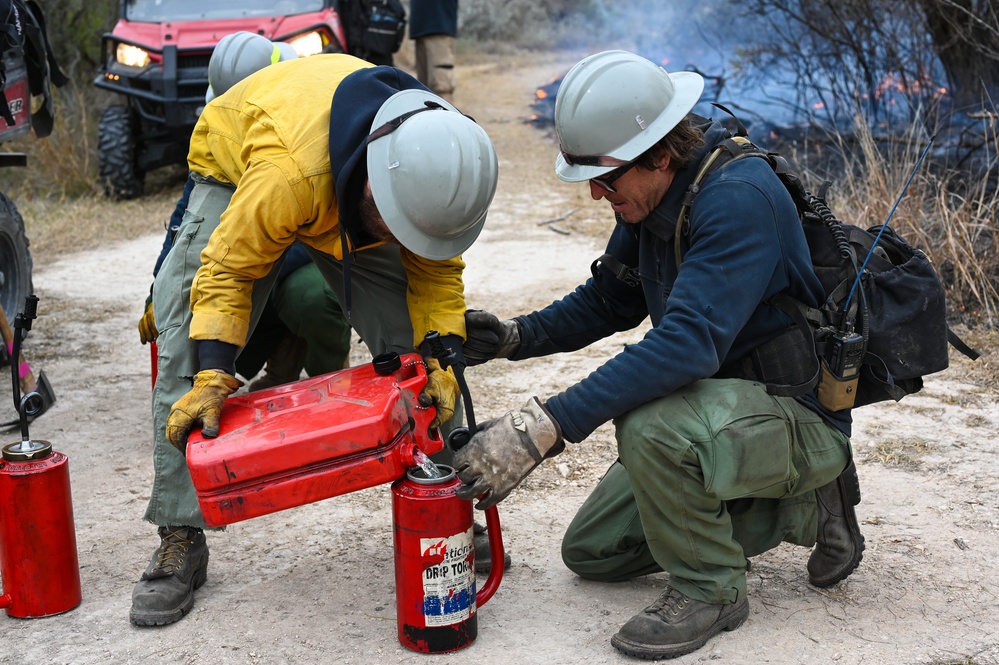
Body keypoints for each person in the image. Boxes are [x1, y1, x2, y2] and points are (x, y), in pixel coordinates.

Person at [454, 50, 865, 660]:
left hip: (793, 413)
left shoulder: (738, 199)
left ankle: (715, 586)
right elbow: (608, 302)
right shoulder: (653, 196)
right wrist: (516, 337)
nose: (595, 194)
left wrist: (545, 426)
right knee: (592, 551)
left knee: (648, 426)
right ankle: (783, 506)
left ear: (659, 155)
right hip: (720, 414)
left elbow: (685, 346)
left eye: (605, 178)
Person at [129, 52, 499, 627]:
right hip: (240, 171)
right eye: (394, 223)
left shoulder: (437, 163)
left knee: (425, 363)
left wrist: (437, 355)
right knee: (186, 345)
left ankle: (442, 505)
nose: (405, 238)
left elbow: (437, 279)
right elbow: (228, 271)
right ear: (374, 181)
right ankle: (180, 536)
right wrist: (212, 373)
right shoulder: (287, 175)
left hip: (341, 183)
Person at [138, 32, 352, 388]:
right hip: (250, 255)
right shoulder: (223, 131)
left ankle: (330, 381)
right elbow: (187, 217)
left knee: (312, 300)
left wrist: (253, 260)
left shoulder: (310, 125)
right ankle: (276, 365)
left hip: (306, 258)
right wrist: (160, 287)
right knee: (211, 290)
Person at [409, 0, 457, 102]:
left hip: (440, 26)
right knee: (422, 90)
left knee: (441, 86)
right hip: (419, 28)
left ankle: (446, 117)